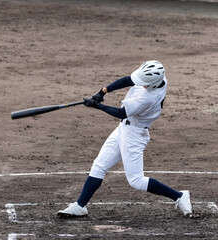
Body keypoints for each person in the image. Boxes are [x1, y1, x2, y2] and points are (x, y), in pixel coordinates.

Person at [57, 60, 193, 218]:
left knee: (136, 180)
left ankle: (179, 196)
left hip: (134, 135)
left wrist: (97, 106)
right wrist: (103, 92)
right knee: (99, 166)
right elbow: (128, 80)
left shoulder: (147, 98)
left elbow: (121, 113)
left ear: (153, 85)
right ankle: (80, 206)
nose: (140, 84)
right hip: (124, 128)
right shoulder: (158, 79)